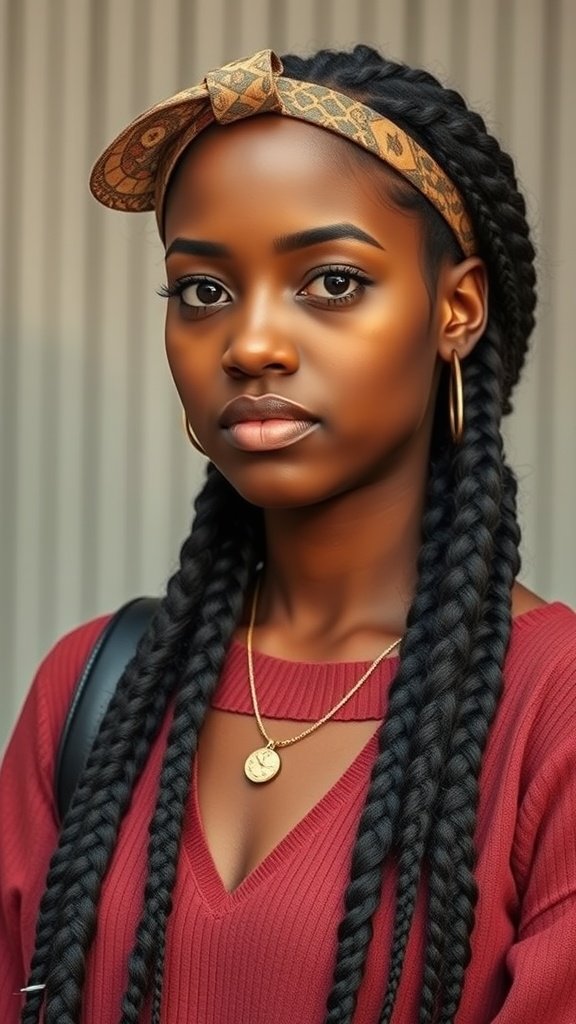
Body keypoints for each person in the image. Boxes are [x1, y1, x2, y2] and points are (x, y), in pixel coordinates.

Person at [1, 44, 575, 1024]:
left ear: (457, 308)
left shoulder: (550, 711)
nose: (251, 342)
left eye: (332, 281)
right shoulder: (90, 693)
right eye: (203, 290)